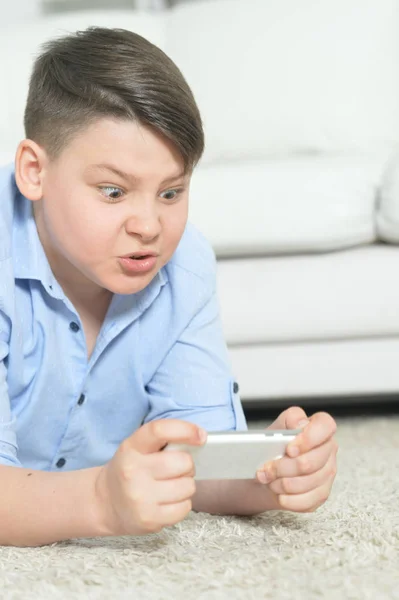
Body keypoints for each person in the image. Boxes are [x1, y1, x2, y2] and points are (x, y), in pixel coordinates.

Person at [0, 27, 338, 547]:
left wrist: (270, 475)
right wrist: (99, 502)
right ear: (33, 171)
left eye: (171, 191)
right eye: (113, 191)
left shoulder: (185, 264)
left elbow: (194, 462)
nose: (149, 226)